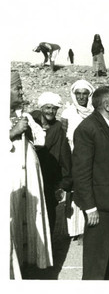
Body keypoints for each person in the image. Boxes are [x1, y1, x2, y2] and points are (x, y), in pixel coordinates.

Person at [72, 86, 109, 280]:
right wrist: (90, 208)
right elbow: (81, 172)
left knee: (108, 255)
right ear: (107, 105)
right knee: (96, 258)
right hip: (100, 205)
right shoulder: (87, 129)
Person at [9, 71, 53, 278]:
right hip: (10, 178)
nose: (21, 91)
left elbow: (41, 139)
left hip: (29, 175)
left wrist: (29, 124)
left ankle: (28, 262)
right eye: (17, 88)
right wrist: (11, 133)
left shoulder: (23, 116)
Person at [31, 92, 72, 236]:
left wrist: (64, 182)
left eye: (54, 108)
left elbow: (64, 154)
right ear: (41, 107)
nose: (51, 111)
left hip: (49, 178)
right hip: (31, 176)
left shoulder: (58, 129)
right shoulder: (31, 123)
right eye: (47, 107)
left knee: (49, 215)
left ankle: (49, 254)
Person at [60, 79, 96, 242]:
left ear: (89, 95)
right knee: (74, 192)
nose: (81, 97)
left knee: (89, 189)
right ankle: (74, 230)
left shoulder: (95, 112)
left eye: (85, 94)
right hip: (72, 154)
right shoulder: (67, 113)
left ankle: (87, 230)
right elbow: (63, 136)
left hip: (91, 156)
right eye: (78, 94)